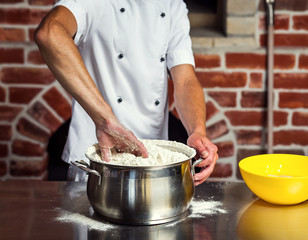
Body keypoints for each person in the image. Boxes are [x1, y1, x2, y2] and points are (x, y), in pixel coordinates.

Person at [35, 0, 218, 185]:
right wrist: (105, 119)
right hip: (96, 162)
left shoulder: (172, 5)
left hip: (153, 162)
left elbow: (185, 78)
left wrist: (198, 131)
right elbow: (49, 33)